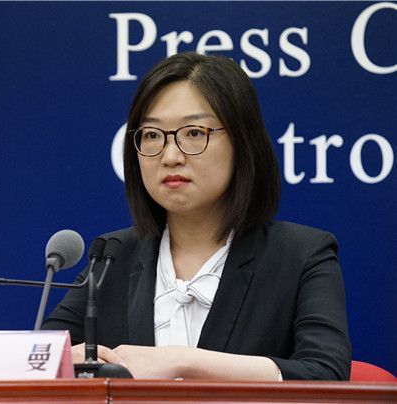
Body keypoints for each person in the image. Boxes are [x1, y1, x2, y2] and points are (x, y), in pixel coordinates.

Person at [42, 52, 351, 381]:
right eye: (152, 135)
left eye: (193, 133)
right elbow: (37, 357)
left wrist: (183, 361)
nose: (170, 156)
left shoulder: (301, 255)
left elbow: (326, 374)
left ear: (243, 142)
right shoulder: (112, 256)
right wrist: (67, 358)